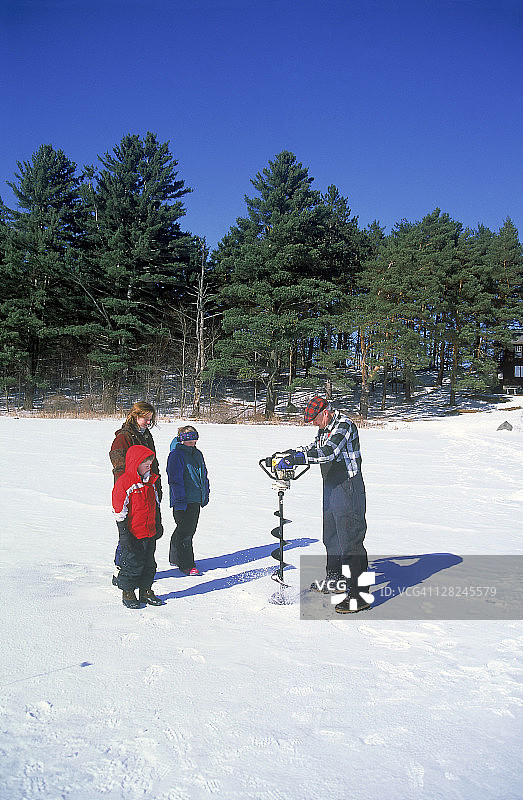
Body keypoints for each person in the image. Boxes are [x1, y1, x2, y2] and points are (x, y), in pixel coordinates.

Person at [277, 396, 371, 614]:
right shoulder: (324, 428)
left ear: (325, 413)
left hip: (349, 487)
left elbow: (328, 452)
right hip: (331, 487)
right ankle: (335, 578)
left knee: (351, 541)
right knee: (331, 536)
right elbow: (315, 447)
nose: (313, 423)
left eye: (315, 419)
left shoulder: (344, 425)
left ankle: (359, 595)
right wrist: (292, 453)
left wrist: (299, 459)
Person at [109, 402, 162, 583]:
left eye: (150, 419)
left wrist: (156, 487)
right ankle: (121, 569)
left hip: (148, 489)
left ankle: (139, 571)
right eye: (145, 418)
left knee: (144, 534)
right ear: (135, 416)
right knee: (128, 534)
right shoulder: (123, 438)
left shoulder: (146, 435)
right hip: (131, 494)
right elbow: (120, 469)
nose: (148, 422)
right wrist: (127, 492)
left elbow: (153, 464)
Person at [112, 444, 164, 609]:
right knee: (132, 564)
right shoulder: (126, 483)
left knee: (149, 564)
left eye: (150, 464)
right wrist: (123, 533)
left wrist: (158, 523)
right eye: (145, 464)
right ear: (135, 463)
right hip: (133, 533)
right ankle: (128, 591)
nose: (148, 467)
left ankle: (145, 590)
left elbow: (156, 505)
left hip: (149, 531)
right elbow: (119, 509)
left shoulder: (151, 482)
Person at [166, 425, 210, 576]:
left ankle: (175, 557)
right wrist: (179, 501)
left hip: (195, 499)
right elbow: (175, 480)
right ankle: (186, 564)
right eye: (190, 442)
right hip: (183, 500)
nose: (193, 444)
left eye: (195, 442)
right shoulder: (176, 455)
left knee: (186, 529)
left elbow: (204, 475)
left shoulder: (197, 454)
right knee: (186, 532)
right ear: (182, 440)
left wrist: (205, 493)